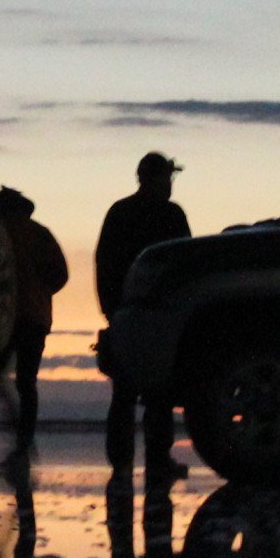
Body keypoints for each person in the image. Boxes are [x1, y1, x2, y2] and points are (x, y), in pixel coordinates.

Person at [94, 150, 191, 472]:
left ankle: (126, 463)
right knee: (153, 392)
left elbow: (103, 263)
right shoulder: (169, 214)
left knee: (134, 392)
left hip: (137, 312)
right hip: (151, 313)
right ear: (152, 178)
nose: (169, 184)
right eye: (166, 177)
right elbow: (184, 263)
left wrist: (110, 311)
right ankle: (151, 461)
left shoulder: (121, 212)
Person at [0, 185, 67, 466]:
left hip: (8, 318)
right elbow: (61, 275)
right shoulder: (40, 233)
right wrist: (41, 292)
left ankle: (21, 442)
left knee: (0, 378)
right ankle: (23, 442)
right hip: (36, 318)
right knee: (26, 382)